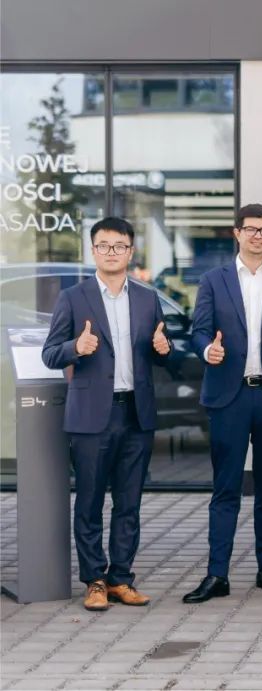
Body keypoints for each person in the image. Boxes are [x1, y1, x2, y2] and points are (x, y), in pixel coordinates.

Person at [42, 217, 171, 611]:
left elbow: (160, 354)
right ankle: (94, 580)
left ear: (131, 251)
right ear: (93, 250)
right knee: (90, 502)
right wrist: (75, 348)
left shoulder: (148, 299)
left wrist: (164, 349)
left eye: (119, 246)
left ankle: (121, 579)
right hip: (90, 417)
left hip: (135, 413)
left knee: (129, 503)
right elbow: (50, 354)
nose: (111, 252)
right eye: (104, 245)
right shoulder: (73, 297)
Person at [182, 204, 262, 604]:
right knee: (226, 488)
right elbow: (199, 331)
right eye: (251, 229)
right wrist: (208, 351)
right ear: (236, 233)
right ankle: (217, 574)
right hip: (228, 396)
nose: (258, 236)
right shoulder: (213, 280)